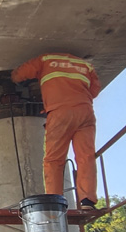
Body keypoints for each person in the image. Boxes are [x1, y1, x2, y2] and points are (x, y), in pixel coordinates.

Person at [11, 53, 101, 209]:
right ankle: (87, 201)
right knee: (86, 157)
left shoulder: (45, 60)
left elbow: (19, 75)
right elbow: (94, 91)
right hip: (85, 112)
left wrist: (14, 78)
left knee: (54, 160)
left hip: (60, 113)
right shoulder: (86, 65)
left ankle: (55, 201)